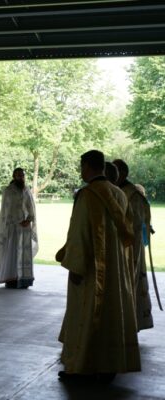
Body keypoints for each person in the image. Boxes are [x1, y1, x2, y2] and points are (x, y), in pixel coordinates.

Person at [56, 150, 140, 382]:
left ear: (87, 166)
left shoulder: (87, 195)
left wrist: (75, 266)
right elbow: (129, 233)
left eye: (81, 167)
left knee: (87, 314)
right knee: (112, 314)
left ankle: (84, 367)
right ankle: (109, 365)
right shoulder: (119, 193)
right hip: (116, 269)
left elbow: (79, 233)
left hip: (92, 269)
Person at [113, 159, 154, 331]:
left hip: (130, 248)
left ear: (122, 173)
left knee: (130, 284)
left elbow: (136, 225)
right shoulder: (116, 191)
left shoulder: (133, 195)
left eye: (114, 171)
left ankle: (129, 325)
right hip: (119, 246)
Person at [0, 168, 38, 289]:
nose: (21, 177)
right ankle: (12, 279)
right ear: (13, 176)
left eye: (22, 175)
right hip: (12, 228)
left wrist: (29, 219)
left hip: (25, 228)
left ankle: (24, 279)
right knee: (12, 254)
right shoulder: (8, 191)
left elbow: (31, 206)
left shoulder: (27, 189)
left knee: (24, 254)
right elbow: (6, 210)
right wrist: (17, 221)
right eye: (18, 175)